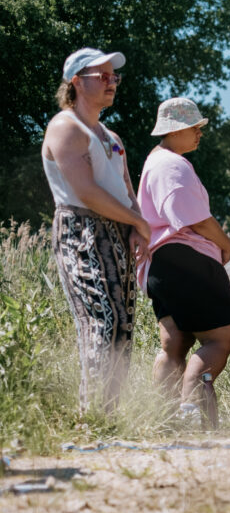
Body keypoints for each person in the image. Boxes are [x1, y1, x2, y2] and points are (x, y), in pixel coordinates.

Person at [41, 47, 150, 413]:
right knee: (99, 320)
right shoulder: (65, 126)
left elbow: (125, 187)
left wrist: (135, 224)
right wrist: (136, 221)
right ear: (75, 81)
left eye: (113, 76)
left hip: (118, 231)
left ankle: (111, 416)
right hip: (80, 228)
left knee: (122, 324)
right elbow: (86, 191)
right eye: (101, 76)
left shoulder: (111, 134)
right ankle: (92, 418)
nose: (111, 83)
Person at [137, 98, 230, 427]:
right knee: (220, 339)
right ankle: (193, 409)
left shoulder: (155, 163)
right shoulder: (172, 165)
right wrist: (225, 244)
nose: (199, 133)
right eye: (195, 127)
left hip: (161, 264)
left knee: (174, 343)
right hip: (188, 260)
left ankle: (162, 419)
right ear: (175, 129)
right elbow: (195, 219)